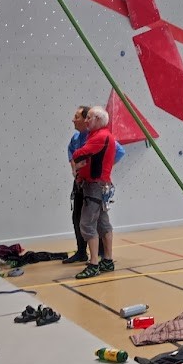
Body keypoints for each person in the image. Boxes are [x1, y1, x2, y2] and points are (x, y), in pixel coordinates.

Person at [64, 106, 124, 264]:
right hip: (86, 182)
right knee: (95, 220)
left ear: (97, 119)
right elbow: (74, 155)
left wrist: (104, 167)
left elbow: (79, 154)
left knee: (88, 223)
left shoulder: (100, 137)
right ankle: (103, 259)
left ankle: (95, 262)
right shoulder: (84, 137)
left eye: (87, 117)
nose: (84, 120)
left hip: (94, 184)